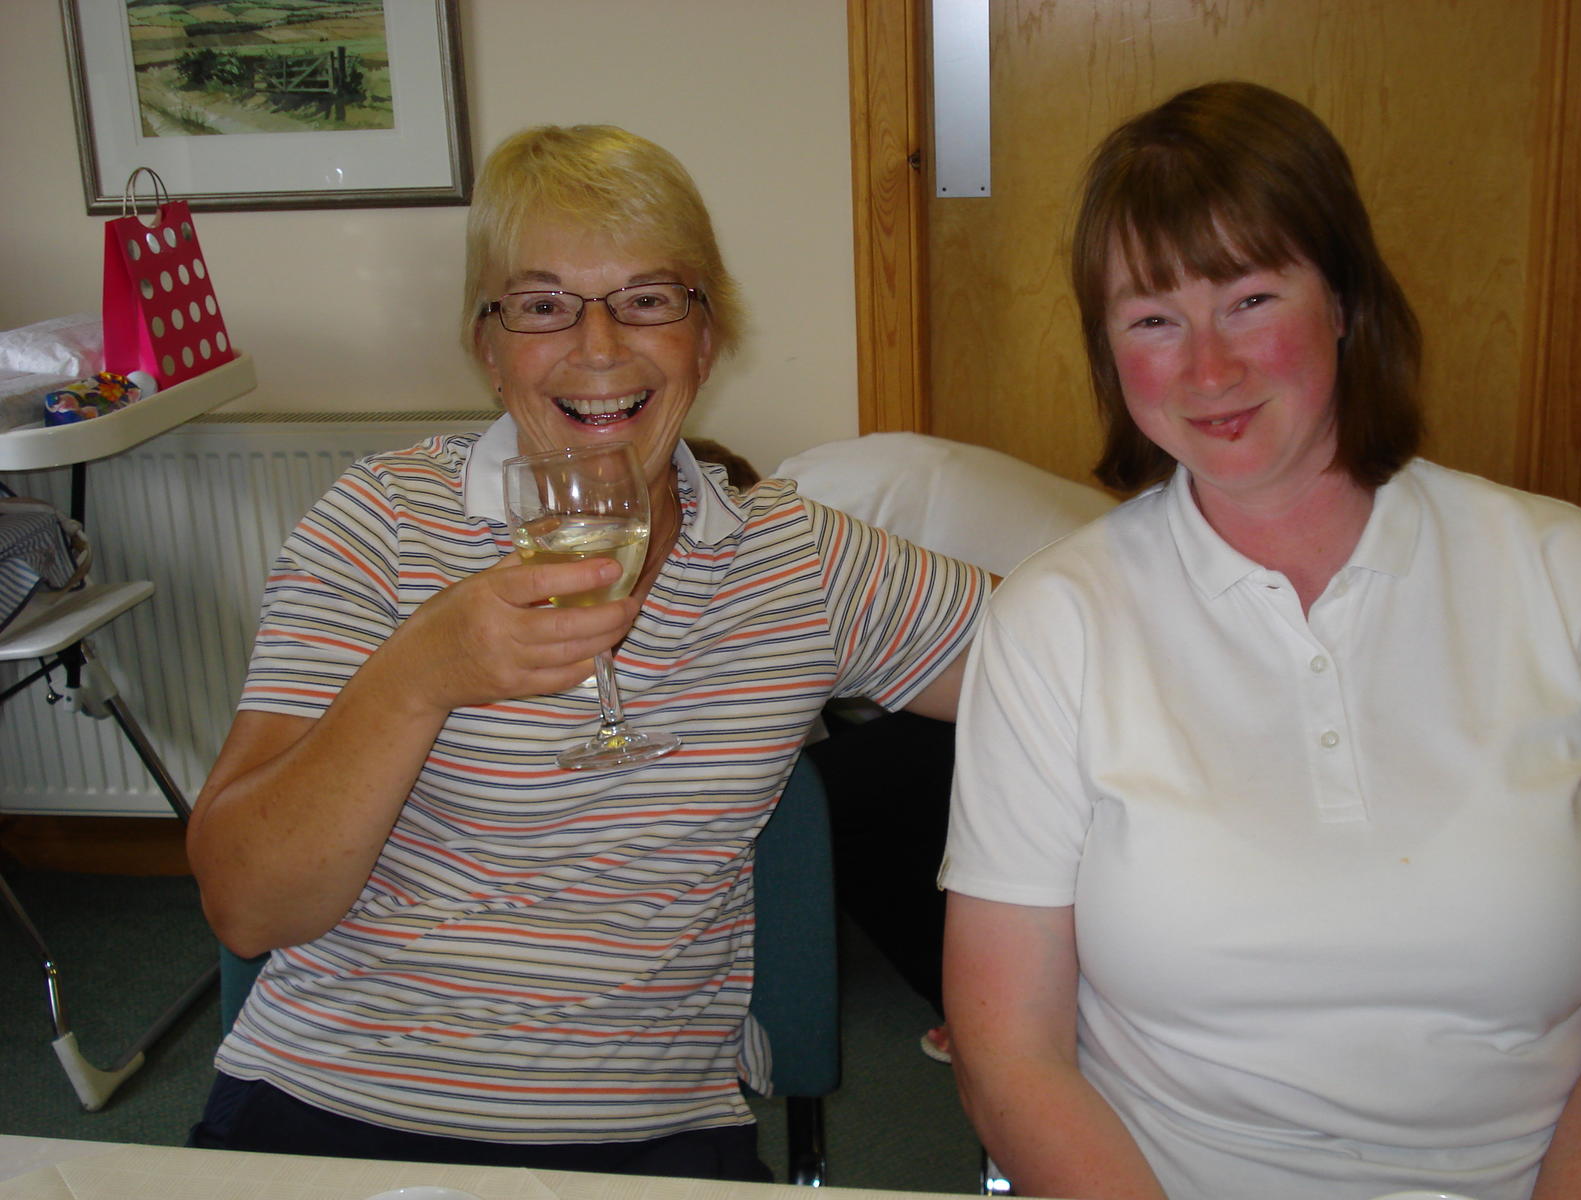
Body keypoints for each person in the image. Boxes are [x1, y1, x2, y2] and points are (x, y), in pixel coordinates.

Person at [184, 124, 988, 1180]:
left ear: (706, 338)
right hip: (332, 1103)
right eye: (542, 305)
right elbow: (247, 908)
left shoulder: (800, 561)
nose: (598, 346)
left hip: (649, 1137)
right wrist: (420, 674)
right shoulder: (380, 522)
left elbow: (1068, 671)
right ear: (488, 347)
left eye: (649, 299)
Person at [940, 81, 1581, 1200]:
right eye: (1153, 320)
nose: (1209, 369)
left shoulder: (1567, 577)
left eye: (1248, 299)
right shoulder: (1054, 623)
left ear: (1343, 298)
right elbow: (1010, 1054)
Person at [777, 433, 1116, 1062]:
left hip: (1099, 677)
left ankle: (986, 1007)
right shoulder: (833, 470)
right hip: (1101, 641)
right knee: (861, 764)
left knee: (822, 798)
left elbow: (779, 754)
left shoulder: (786, 523)